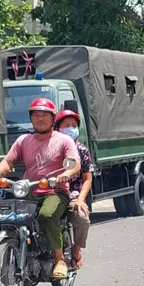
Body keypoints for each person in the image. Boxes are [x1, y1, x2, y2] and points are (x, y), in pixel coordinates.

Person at [0, 98, 82, 279]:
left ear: (53, 118)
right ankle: (22, 248)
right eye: (36, 115)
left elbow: (75, 163)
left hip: (56, 191)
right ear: (31, 118)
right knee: (12, 215)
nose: (40, 119)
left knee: (46, 215)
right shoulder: (24, 141)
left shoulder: (63, 140)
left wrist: (66, 174)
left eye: (44, 115)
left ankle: (60, 259)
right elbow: (9, 160)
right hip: (30, 190)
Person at [53, 109, 93, 269]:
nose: (70, 128)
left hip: (73, 195)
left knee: (82, 218)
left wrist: (81, 200)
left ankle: (76, 250)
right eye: (66, 125)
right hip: (50, 193)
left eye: (74, 125)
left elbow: (87, 179)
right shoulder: (51, 147)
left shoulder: (82, 151)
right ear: (57, 128)